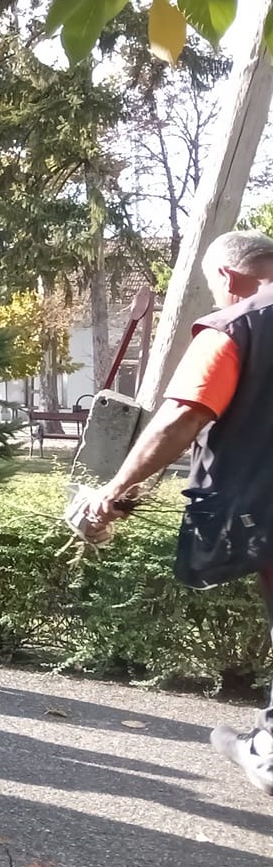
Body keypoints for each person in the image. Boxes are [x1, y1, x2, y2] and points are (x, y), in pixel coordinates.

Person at [79, 230, 273, 795]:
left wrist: (113, 489)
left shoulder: (239, 325)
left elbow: (182, 417)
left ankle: (267, 755)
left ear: (227, 278)